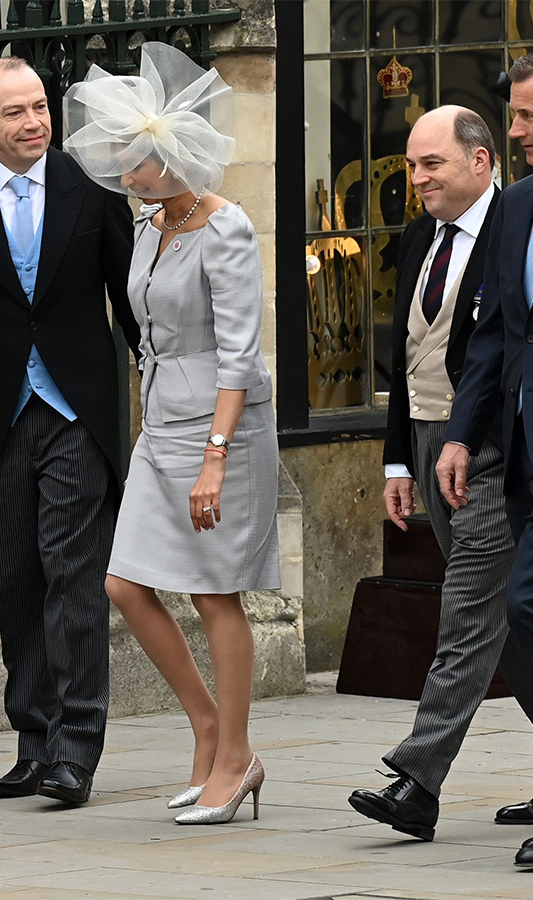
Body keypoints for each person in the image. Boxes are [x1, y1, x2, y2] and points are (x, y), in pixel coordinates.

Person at [0, 57, 141, 805]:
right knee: (17, 581)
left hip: (79, 412)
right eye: (15, 112)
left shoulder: (92, 187)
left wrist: (162, 381)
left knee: (73, 579)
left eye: (40, 107)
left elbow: (129, 296)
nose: (34, 122)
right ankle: (33, 743)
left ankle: (76, 751)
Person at [64, 42, 281, 825]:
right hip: (162, 424)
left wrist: (215, 462)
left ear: (174, 158)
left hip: (221, 430)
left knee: (215, 593)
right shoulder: (154, 225)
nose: (124, 175)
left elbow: (239, 356)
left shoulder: (224, 230)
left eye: (136, 164)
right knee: (125, 581)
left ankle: (236, 758)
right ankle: (208, 726)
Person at [348, 105, 533, 842]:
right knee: (510, 631)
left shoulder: (512, 222)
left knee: (467, 617)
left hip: (493, 449)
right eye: (412, 165)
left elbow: (495, 349)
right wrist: (399, 459)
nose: (416, 179)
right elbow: (405, 356)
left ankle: (416, 780)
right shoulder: (422, 234)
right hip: (432, 449)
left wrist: (466, 438)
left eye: (432, 165)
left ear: (480, 162)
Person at [437, 53, 533, 869]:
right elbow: (496, 334)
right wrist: (463, 434)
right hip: (525, 453)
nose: (519, 134)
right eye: (516, 117)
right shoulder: (521, 209)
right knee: (525, 610)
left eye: (532, 116)